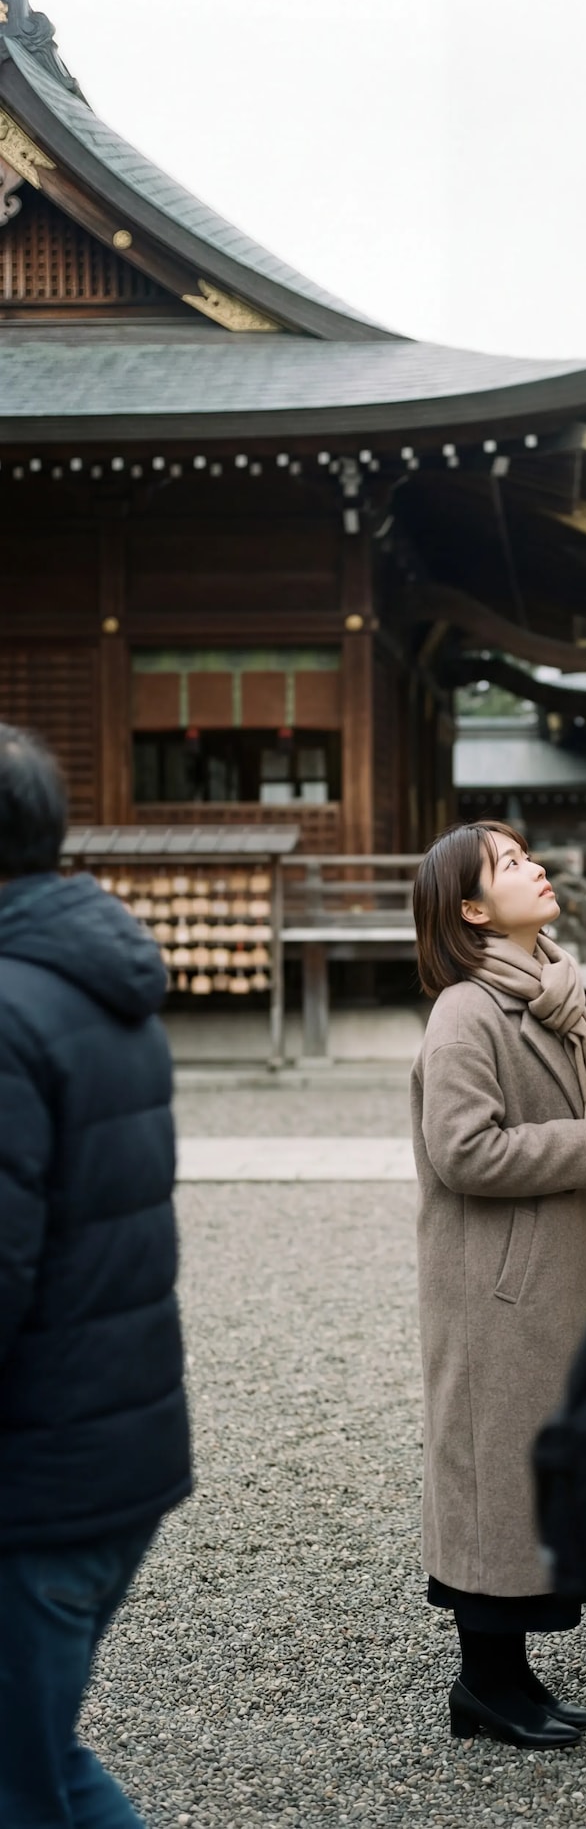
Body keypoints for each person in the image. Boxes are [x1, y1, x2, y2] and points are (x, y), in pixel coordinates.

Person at [411, 820, 586, 1748]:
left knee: (536, 1468)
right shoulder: (466, 1010)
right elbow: (461, 1150)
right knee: (494, 1478)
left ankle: (511, 1678)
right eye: (510, 864)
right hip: (497, 1287)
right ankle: (487, 1686)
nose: (536, 866)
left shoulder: (548, 987)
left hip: (559, 1265)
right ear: (472, 909)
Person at [0, 725, 191, 1827]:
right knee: (38, 1762)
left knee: (26, 1779)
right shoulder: (97, 983)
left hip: (33, 1467)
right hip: (112, 1439)